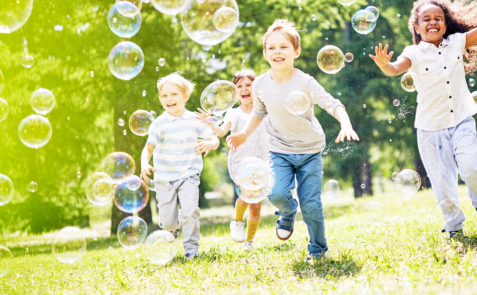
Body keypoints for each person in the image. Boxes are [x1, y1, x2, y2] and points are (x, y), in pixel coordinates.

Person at [370, 0, 477, 239]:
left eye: (438, 18)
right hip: (430, 128)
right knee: (442, 184)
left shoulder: (456, 42)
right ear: (416, 27)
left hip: (462, 119)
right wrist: (384, 64)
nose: (433, 22)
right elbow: (396, 69)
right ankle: (453, 226)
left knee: (473, 168)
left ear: (446, 22)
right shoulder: (414, 53)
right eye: (426, 19)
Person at [227, 19, 360, 260]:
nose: (278, 51)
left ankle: (318, 250)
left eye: (284, 47)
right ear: (265, 53)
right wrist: (243, 134)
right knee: (277, 194)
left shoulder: (305, 81)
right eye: (272, 47)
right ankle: (288, 212)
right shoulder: (260, 84)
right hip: (279, 151)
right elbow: (259, 112)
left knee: (312, 205)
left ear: (296, 51)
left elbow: (331, 103)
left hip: (309, 151)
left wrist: (346, 122)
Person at [141, 72, 219, 259]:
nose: (169, 99)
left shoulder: (194, 119)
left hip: (189, 174)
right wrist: (144, 163)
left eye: (174, 94)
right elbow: (148, 147)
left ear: (185, 96)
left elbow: (214, 138)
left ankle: (191, 250)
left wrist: (210, 143)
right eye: (164, 95)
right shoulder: (159, 123)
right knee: (167, 222)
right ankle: (173, 229)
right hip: (164, 178)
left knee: (190, 211)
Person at [195, 68, 269, 251]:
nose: (244, 89)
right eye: (240, 86)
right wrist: (210, 123)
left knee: (256, 207)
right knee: (247, 193)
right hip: (241, 162)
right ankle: (237, 220)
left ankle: (249, 241)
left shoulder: (265, 110)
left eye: (249, 85)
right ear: (235, 92)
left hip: (263, 162)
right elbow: (221, 132)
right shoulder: (233, 114)